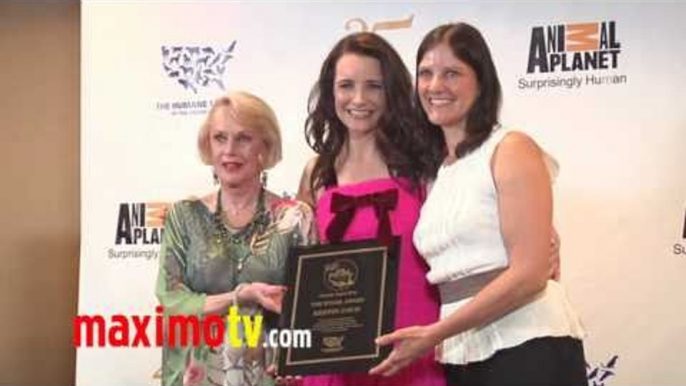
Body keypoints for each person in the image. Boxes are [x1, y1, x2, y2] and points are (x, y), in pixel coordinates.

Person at [370, 23, 587, 386]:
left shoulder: (511, 148)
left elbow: (531, 273)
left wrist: (435, 333)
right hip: (461, 352)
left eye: (452, 73)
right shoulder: (437, 172)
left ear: (482, 82)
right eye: (426, 73)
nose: (435, 86)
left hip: (526, 342)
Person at [297, 32, 446, 386]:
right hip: (336, 359)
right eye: (346, 85)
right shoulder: (317, 172)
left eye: (374, 86)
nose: (359, 99)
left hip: (413, 350)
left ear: (391, 92)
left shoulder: (425, 164)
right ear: (330, 92)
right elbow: (305, 274)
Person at [156, 91, 317, 386]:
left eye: (243, 138)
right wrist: (238, 297)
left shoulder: (295, 218)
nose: (229, 150)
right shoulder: (184, 216)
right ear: (208, 145)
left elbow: (312, 309)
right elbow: (172, 300)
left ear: (265, 147)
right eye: (219, 138)